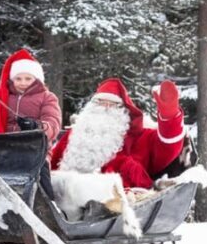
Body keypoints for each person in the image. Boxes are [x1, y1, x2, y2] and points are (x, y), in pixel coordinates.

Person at [48, 77, 185, 189]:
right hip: (67, 195)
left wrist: (169, 115)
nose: (106, 107)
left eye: (114, 104)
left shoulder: (139, 136)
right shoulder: (75, 134)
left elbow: (168, 146)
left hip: (119, 201)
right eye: (100, 102)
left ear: (124, 111)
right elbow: (51, 163)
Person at [0, 49, 62, 146]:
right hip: (1, 147)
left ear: (37, 79)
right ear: (12, 80)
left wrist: (35, 127)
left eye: (28, 79)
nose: (23, 83)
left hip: (35, 148)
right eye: (18, 79)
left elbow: (53, 125)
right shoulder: (1, 97)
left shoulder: (47, 97)